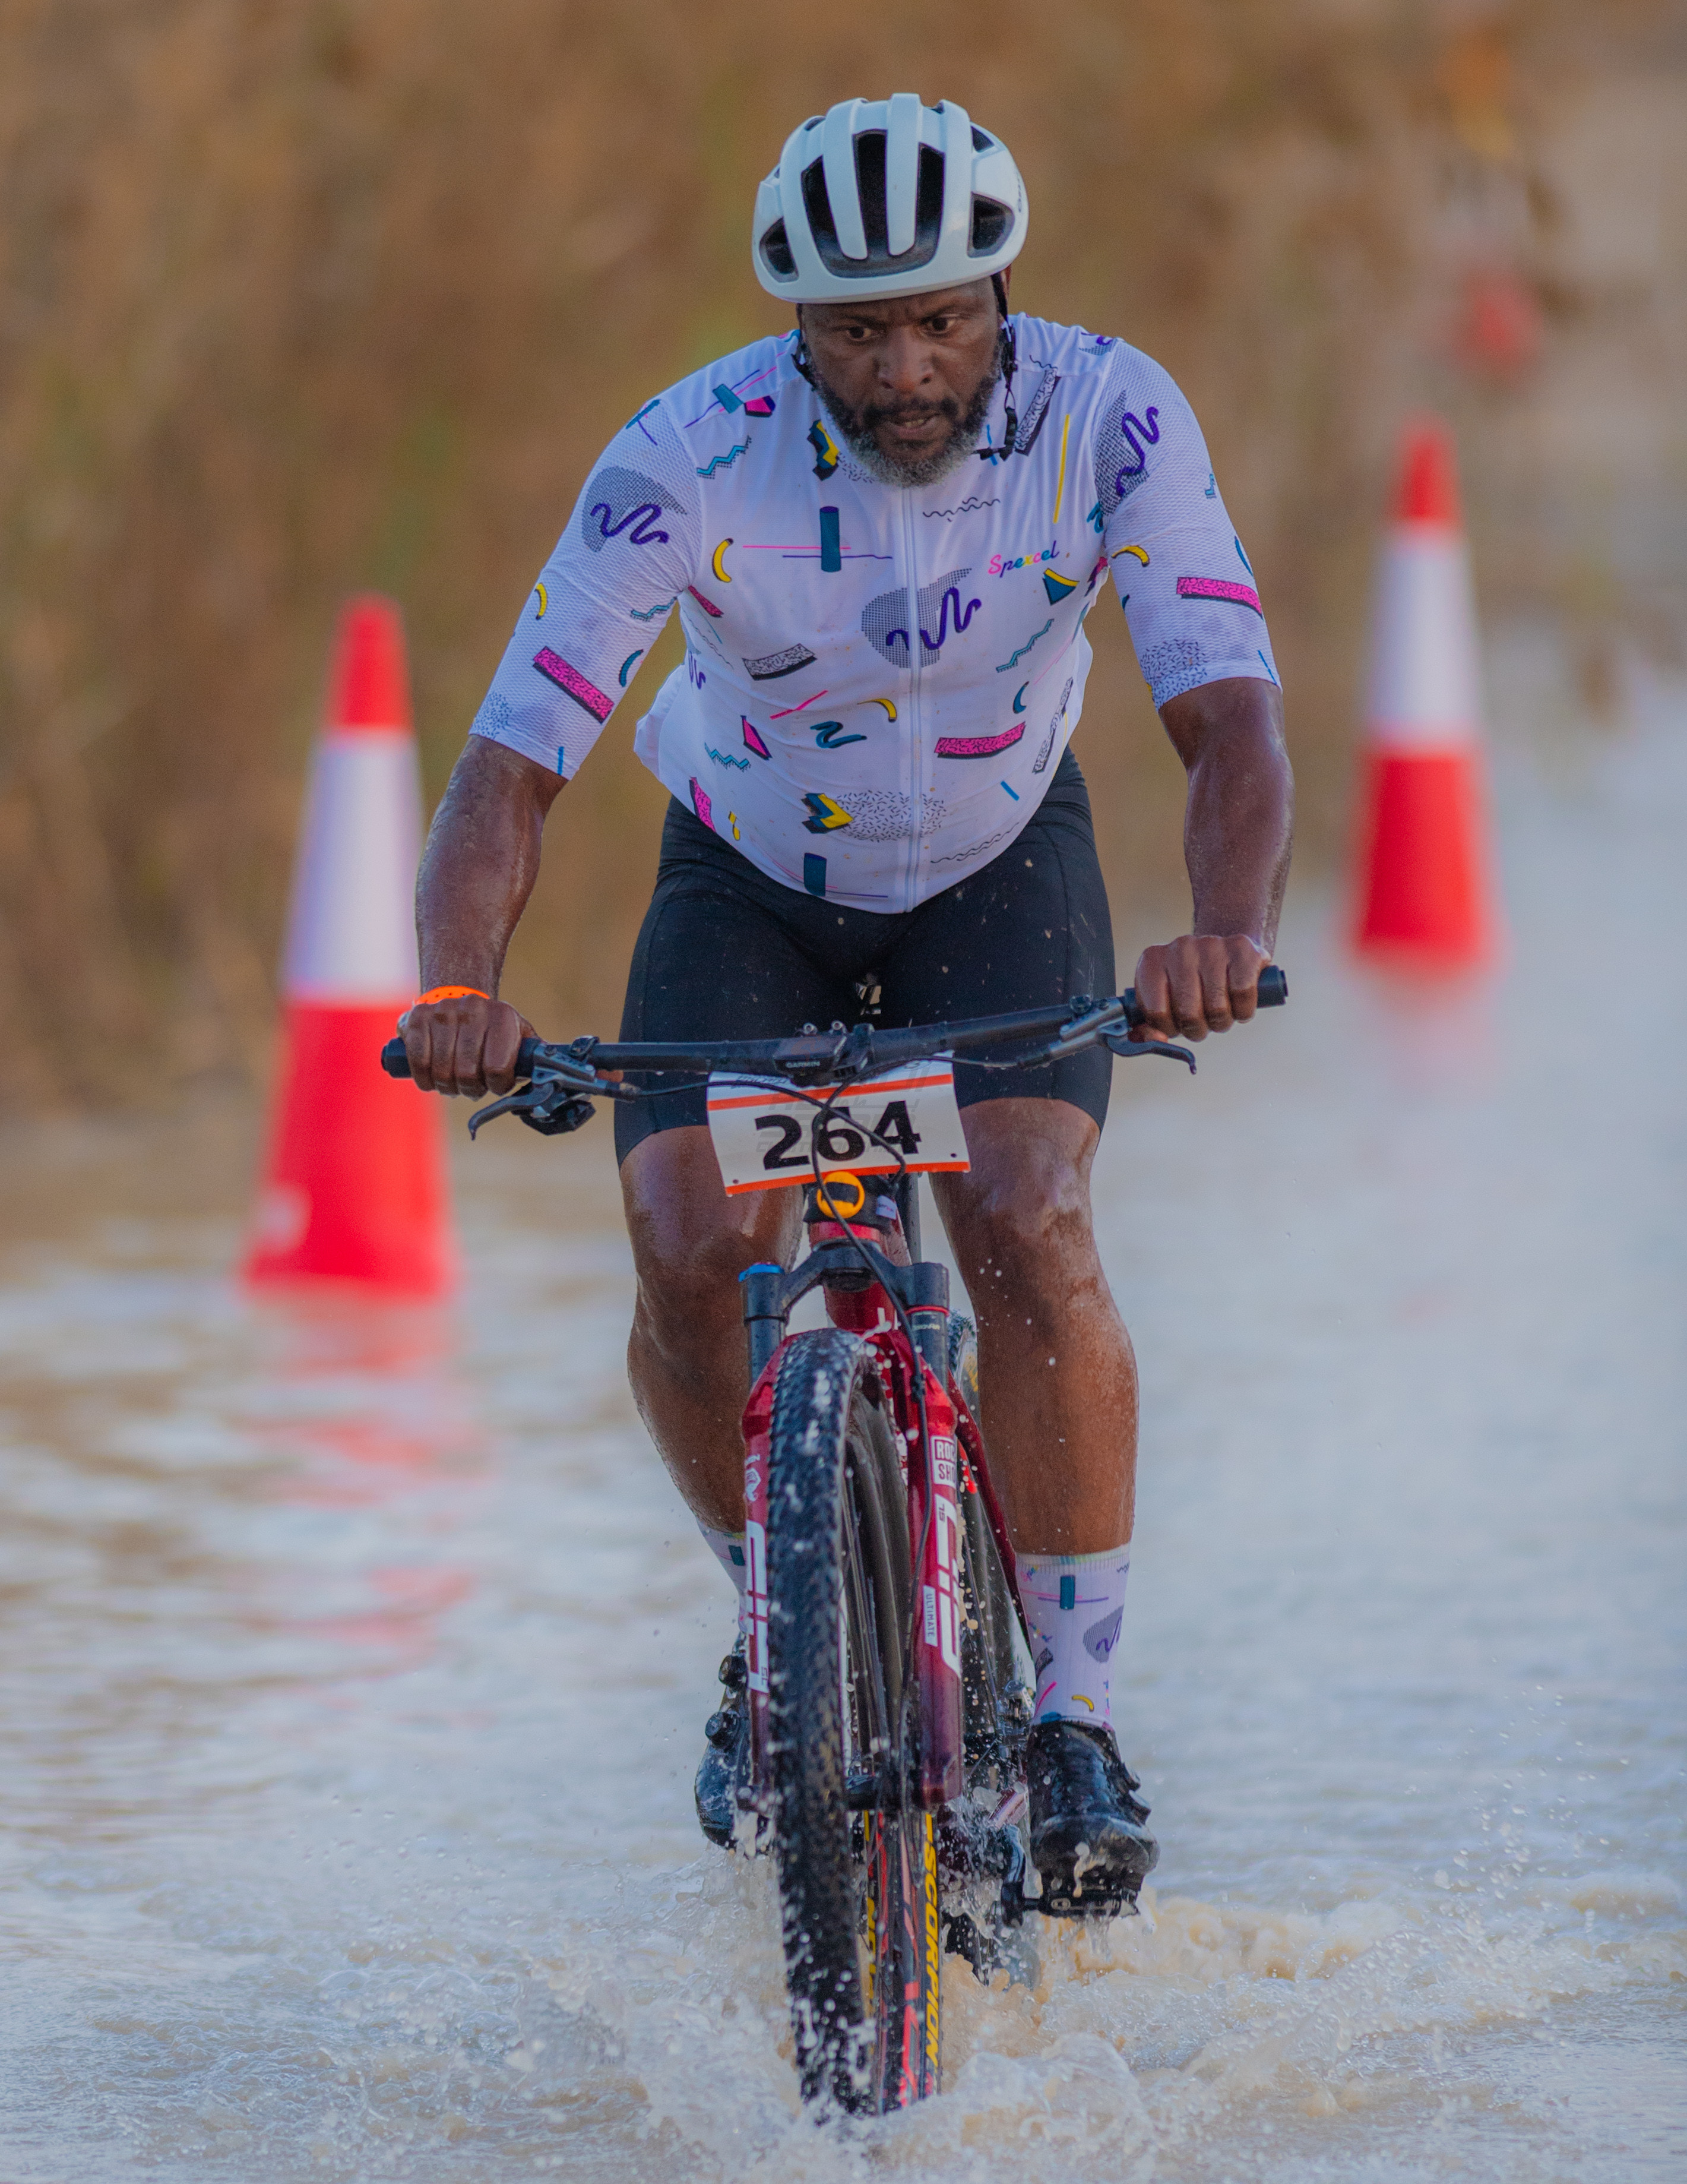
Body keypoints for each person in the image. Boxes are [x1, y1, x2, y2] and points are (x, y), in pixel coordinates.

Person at [401, 96, 1292, 1908]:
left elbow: (1230, 720)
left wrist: (1218, 931)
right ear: (791, 326)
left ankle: (1076, 1720)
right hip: (746, 876)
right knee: (681, 1236)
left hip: (997, 862)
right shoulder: (683, 453)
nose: (902, 371)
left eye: (940, 322)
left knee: (1026, 1211)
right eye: (855, 333)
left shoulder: (1111, 414)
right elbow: (511, 763)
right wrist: (458, 986)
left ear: (1000, 296)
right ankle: (775, 1632)